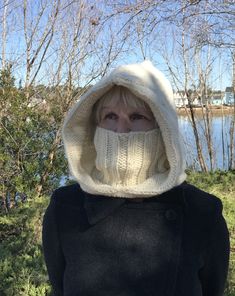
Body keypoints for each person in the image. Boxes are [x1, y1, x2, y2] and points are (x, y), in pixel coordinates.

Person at [42, 61, 230, 296]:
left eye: (137, 116)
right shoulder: (64, 208)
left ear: (163, 128)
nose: (122, 130)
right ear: (95, 125)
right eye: (110, 116)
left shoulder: (202, 213)